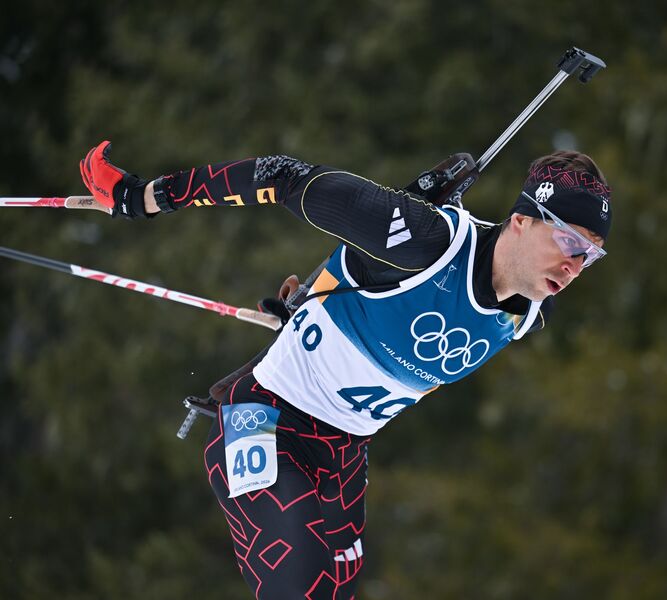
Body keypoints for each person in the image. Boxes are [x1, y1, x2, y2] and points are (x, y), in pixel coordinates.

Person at [79, 141, 612, 599]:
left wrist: (310, 303)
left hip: (342, 460)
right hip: (264, 421)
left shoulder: (528, 313)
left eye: (590, 255)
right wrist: (142, 197)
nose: (575, 264)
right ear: (520, 221)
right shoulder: (425, 241)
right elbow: (280, 177)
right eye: (569, 240)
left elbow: (363, 284)